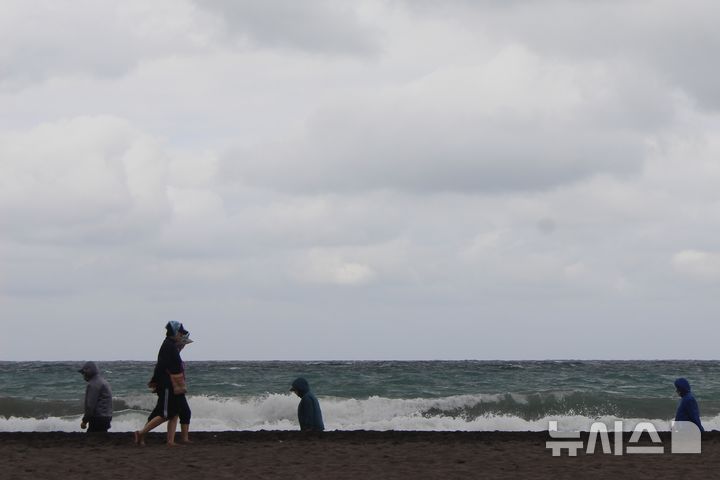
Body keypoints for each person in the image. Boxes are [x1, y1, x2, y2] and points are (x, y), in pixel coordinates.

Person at [134, 321, 189, 446]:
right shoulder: (168, 346)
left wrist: (180, 346)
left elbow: (171, 364)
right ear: (174, 332)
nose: (181, 335)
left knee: (174, 412)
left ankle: (170, 441)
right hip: (168, 385)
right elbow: (161, 366)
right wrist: (155, 381)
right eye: (180, 333)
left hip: (171, 384)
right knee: (165, 414)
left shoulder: (171, 345)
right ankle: (141, 433)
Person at [78, 361, 113, 432]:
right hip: (107, 416)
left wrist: (84, 421)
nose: (83, 376)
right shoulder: (103, 381)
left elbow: (90, 405)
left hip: (98, 418)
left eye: (84, 373)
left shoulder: (93, 384)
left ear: (89, 372)